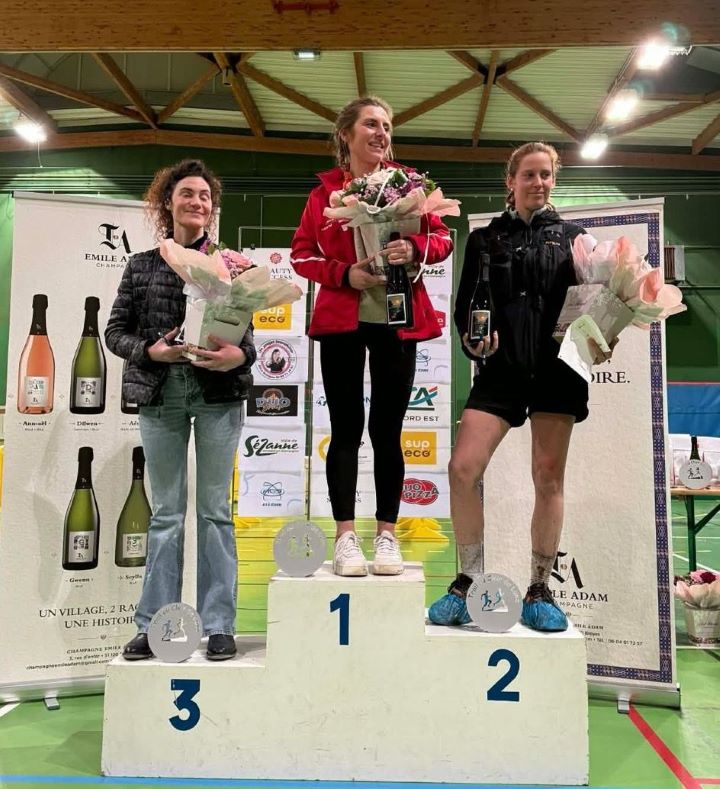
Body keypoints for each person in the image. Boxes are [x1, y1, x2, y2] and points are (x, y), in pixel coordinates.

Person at [428, 142, 614, 632]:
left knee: (548, 479)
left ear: (554, 180)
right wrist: (473, 339)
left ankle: (538, 589)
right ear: (510, 181)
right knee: (462, 469)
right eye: (528, 174)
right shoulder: (484, 240)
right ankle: (468, 580)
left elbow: (595, 306)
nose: (538, 182)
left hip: (557, 373)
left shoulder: (578, 241)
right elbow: (466, 309)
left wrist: (604, 334)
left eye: (546, 174)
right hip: (501, 373)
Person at [291, 96, 453, 577]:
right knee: (345, 429)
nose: (381, 133)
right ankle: (345, 537)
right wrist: (345, 274)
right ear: (346, 134)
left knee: (387, 431)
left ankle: (386, 535)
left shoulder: (414, 187)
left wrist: (415, 247)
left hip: (399, 318)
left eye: (386, 125)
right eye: (370, 124)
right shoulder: (324, 194)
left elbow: (443, 239)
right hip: (342, 319)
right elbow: (302, 255)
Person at [106, 159, 256, 660]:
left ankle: (218, 624)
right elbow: (114, 332)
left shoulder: (232, 267)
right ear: (167, 203)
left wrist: (237, 357)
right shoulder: (141, 266)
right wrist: (150, 351)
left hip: (218, 396)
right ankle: (155, 624)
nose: (197, 202)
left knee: (216, 512)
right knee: (167, 513)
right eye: (187, 193)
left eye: (205, 196)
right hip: (160, 395)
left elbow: (248, 342)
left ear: (212, 208)